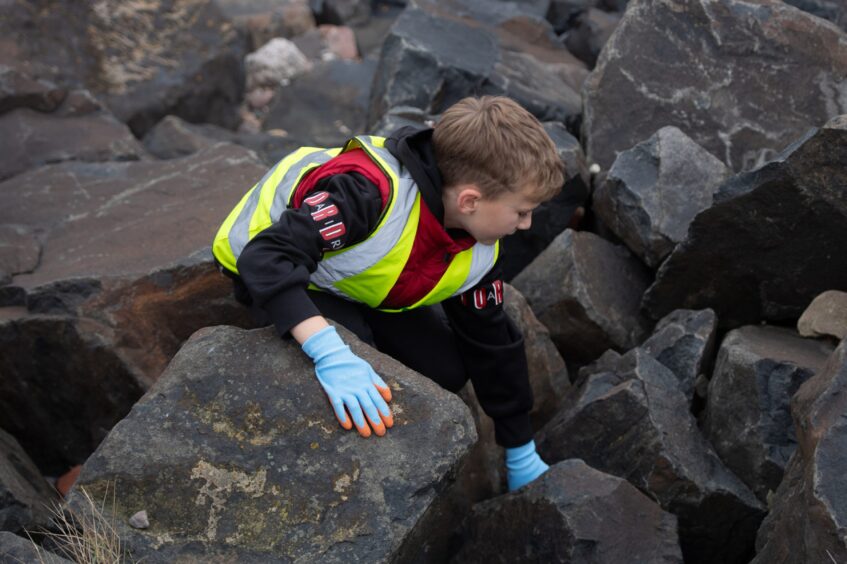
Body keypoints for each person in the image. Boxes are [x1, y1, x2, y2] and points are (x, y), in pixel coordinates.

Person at [212, 96, 564, 492]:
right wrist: (330, 352)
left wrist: (520, 448)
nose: (527, 224)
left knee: (445, 371)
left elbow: (491, 340)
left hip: (358, 285)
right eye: (521, 211)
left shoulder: (480, 246)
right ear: (469, 201)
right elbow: (266, 258)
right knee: (354, 358)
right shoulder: (369, 192)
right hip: (274, 269)